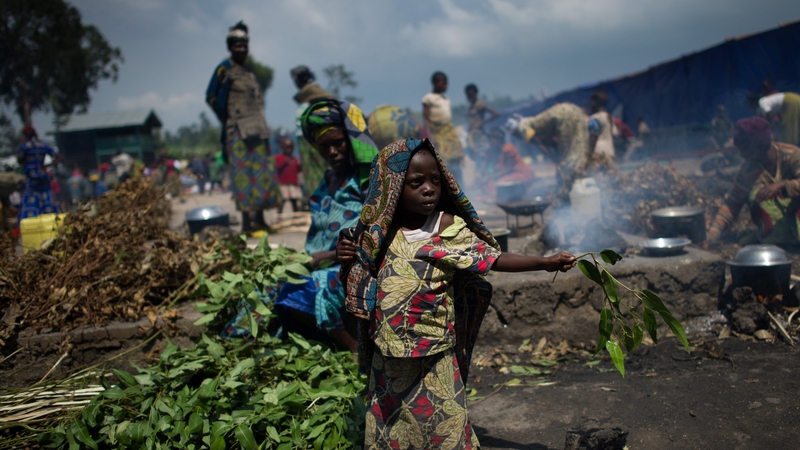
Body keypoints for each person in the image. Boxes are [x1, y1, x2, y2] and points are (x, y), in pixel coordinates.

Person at [337, 138, 576, 448]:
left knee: (445, 423)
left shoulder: (447, 228)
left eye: (435, 180)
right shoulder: (378, 234)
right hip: (389, 356)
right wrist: (347, 257)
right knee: (394, 427)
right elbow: (359, 275)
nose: (428, 188)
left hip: (434, 354)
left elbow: (492, 257)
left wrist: (545, 263)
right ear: (392, 185)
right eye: (416, 182)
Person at [267, 99, 379, 353]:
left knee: (300, 288)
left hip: (358, 263)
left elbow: (377, 231)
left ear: (351, 140)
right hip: (322, 260)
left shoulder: (366, 180)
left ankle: (353, 348)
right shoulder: (326, 180)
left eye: (338, 142)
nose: (332, 152)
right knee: (270, 285)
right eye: (323, 146)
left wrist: (327, 256)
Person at [206, 21, 281, 232]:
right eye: (237, 45)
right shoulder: (225, 69)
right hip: (238, 132)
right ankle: (247, 224)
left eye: (244, 45)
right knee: (244, 177)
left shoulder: (249, 73)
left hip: (258, 130)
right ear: (230, 47)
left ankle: (260, 219)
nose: (241, 49)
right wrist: (229, 118)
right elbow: (211, 96)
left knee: (262, 175)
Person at [707, 117, 800, 246]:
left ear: (758, 147)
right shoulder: (748, 171)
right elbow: (732, 204)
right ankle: (776, 238)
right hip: (777, 230)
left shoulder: (793, 155)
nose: (741, 155)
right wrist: (713, 234)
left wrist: (782, 185)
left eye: (744, 150)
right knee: (756, 195)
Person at [505, 103, 591, 197]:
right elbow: (551, 144)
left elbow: (538, 143)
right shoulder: (535, 125)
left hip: (564, 115)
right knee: (578, 151)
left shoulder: (522, 126)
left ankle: (570, 193)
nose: (518, 137)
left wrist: (556, 162)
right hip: (576, 111)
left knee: (568, 163)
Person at [291, 65, 335, 198]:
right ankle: (320, 198)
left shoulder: (314, 93)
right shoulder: (309, 93)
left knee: (315, 170)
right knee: (315, 170)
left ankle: (321, 198)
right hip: (306, 136)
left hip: (312, 136)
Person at [423, 72, 465, 183]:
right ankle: (446, 184)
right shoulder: (429, 98)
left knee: (456, 156)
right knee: (443, 158)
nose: (446, 86)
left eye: (447, 83)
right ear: (435, 83)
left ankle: (459, 183)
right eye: (443, 83)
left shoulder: (445, 99)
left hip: (449, 132)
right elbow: (426, 119)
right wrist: (430, 137)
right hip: (437, 132)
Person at [15, 125, 61, 222]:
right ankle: (51, 220)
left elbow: (20, 160)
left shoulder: (24, 146)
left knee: (30, 201)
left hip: (31, 178)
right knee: (46, 199)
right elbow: (59, 157)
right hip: (43, 177)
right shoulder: (43, 145)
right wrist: (46, 166)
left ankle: (30, 222)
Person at [464, 83, 498, 161]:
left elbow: (496, 113)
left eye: (471, 95)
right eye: (468, 96)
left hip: (479, 134)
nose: (470, 97)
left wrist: (483, 122)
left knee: (482, 155)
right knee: (474, 155)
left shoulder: (480, 104)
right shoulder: (471, 107)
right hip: (472, 135)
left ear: (475, 94)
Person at [274, 135, 303, 215]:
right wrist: (284, 162)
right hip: (283, 185)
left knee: (294, 201)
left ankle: (297, 216)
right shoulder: (279, 158)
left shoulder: (294, 159)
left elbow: (298, 170)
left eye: (291, 147)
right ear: (282, 147)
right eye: (287, 147)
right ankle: (279, 216)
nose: (289, 150)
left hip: (293, 184)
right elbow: (276, 167)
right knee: (282, 202)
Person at [588, 91, 615, 158]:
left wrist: (590, 152)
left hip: (599, 151)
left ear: (595, 102)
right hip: (610, 150)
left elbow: (594, 137)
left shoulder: (595, 117)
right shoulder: (609, 116)